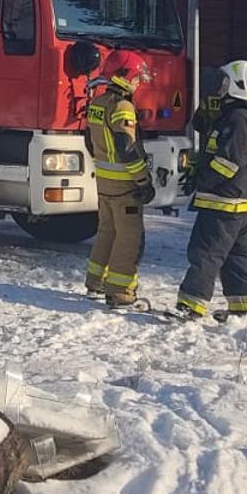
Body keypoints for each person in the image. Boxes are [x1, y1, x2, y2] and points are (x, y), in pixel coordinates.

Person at [176, 60, 247, 319]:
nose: (220, 87)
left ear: (238, 86)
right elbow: (201, 126)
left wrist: (201, 179)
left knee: (205, 252)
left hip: (222, 200)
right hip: (237, 202)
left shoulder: (238, 119)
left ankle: (191, 305)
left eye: (225, 82)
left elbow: (228, 162)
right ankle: (244, 308)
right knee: (236, 256)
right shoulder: (241, 116)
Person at [82, 51, 154, 306]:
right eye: (135, 78)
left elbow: (89, 141)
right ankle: (120, 292)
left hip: (104, 183)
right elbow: (127, 149)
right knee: (128, 238)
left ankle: (95, 281)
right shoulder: (123, 108)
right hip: (125, 187)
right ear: (123, 77)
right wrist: (143, 180)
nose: (138, 83)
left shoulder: (98, 104)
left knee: (106, 232)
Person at [193, 77, 247, 272]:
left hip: (216, 164)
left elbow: (198, 123)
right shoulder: (246, 113)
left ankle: (242, 254)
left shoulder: (212, 100)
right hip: (243, 169)